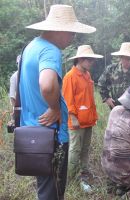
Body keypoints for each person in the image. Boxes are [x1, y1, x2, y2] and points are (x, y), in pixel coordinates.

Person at [19, 5, 96, 200]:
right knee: (52, 191)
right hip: (52, 135)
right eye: (71, 33)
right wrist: (54, 108)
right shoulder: (50, 50)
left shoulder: (31, 47)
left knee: (44, 187)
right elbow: (46, 85)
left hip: (33, 132)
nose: (72, 38)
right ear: (59, 30)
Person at [62, 45, 102, 191]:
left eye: (92, 59)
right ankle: (71, 179)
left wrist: (93, 116)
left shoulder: (87, 75)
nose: (91, 62)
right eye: (89, 59)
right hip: (76, 122)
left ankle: (84, 173)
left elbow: (89, 98)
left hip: (88, 120)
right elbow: (68, 100)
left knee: (85, 149)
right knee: (75, 150)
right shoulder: (70, 77)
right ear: (80, 59)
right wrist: (73, 117)